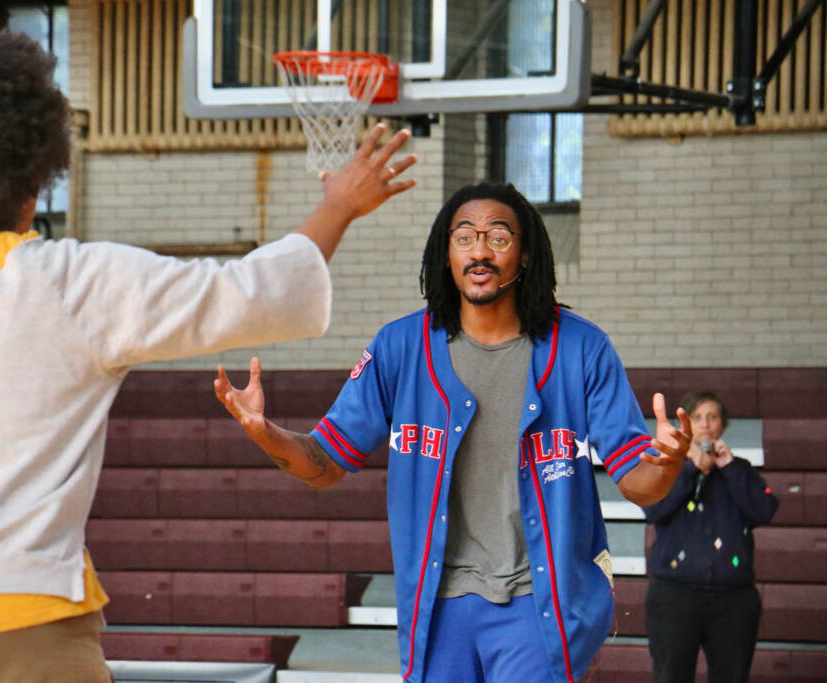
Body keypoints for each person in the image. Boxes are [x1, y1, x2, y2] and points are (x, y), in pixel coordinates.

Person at [0, 30, 417, 682]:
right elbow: (255, 290)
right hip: (17, 625)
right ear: (35, 174)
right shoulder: (72, 282)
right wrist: (338, 206)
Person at [214, 181, 693, 683]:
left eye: (499, 238)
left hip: (539, 607)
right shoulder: (400, 347)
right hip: (438, 611)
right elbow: (324, 462)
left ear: (526, 256)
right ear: (445, 254)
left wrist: (666, 462)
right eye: (464, 237)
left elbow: (638, 483)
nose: (480, 251)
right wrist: (264, 431)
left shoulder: (582, 349)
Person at [644, 391, 778, 683]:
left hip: (733, 598)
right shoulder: (670, 468)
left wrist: (727, 467)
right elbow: (653, 509)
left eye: (712, 417)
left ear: (723, 424)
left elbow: (764, 511)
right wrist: (691, 468)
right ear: (686, 425)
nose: (704, 424)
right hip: (674, 595)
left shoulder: (739, 469)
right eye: (696, 417)